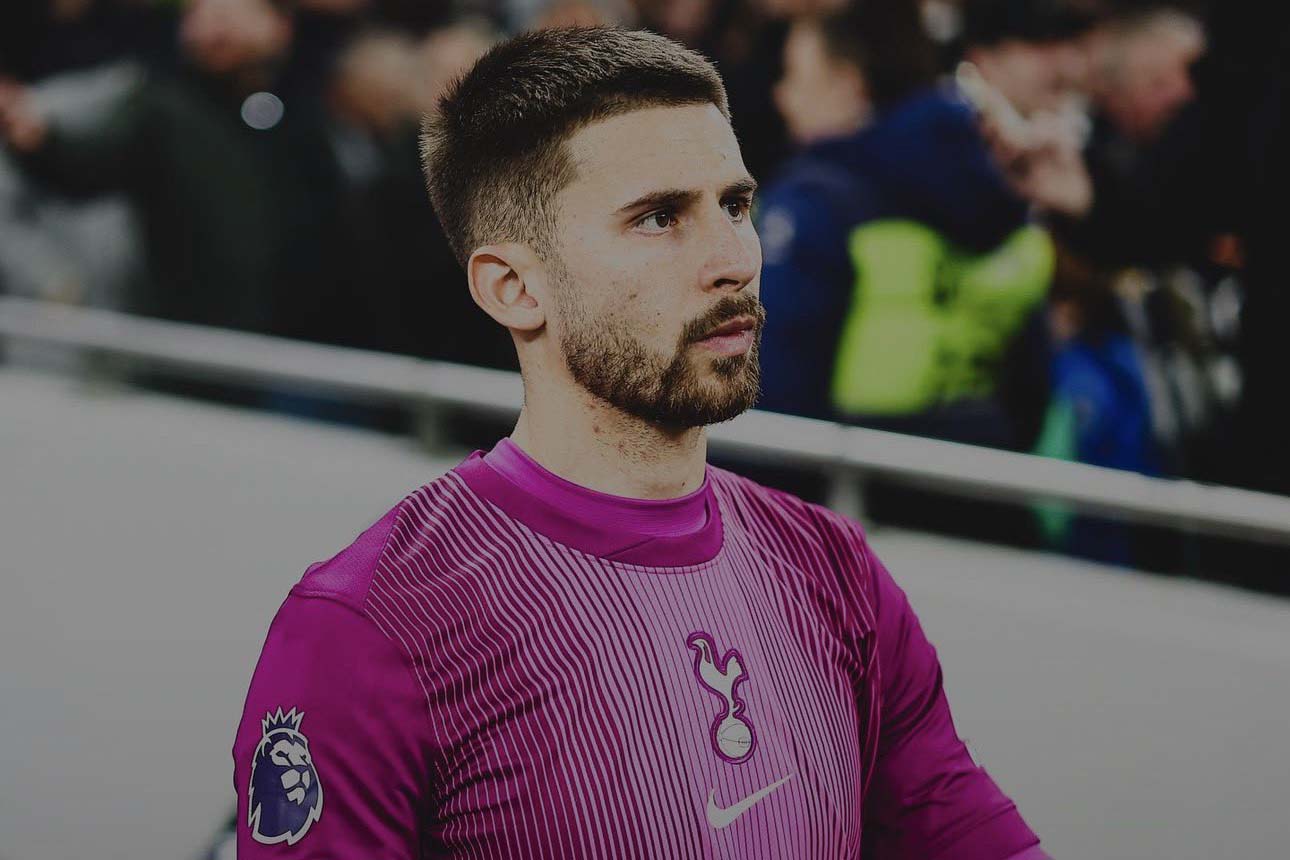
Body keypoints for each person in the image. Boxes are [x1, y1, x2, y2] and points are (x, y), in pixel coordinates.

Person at [232, 27, 1050, 858]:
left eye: (735, 205)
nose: (734, 259)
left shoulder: (833, 571)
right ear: (513, 288)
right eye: (659, 218)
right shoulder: (368, 629)